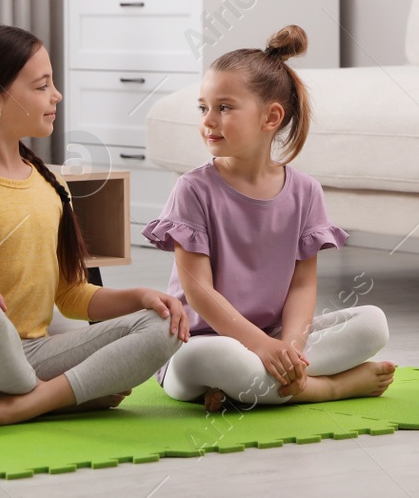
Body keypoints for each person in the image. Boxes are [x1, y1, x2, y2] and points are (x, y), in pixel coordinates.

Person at [0, 22, 189, 432]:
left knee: (164, 324)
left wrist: (140, 296)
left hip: (33, 356)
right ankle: (61, 397)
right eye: (41, 86)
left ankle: (29, 402)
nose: (56, 95)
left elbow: (71, 295)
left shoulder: (52, 186)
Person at [143, 24, 396, 409]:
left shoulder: (306, 191)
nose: (208, 120)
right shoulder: (192, 189)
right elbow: (199, 292)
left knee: (373, 322)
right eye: (203, 107)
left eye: (224, 108)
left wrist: (289, 347)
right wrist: (260, 346)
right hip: (199, 343)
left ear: (271, 117)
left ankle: (251, 385)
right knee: (214, 359)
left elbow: (302, 286)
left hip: (273, 336)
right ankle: (327, 388)